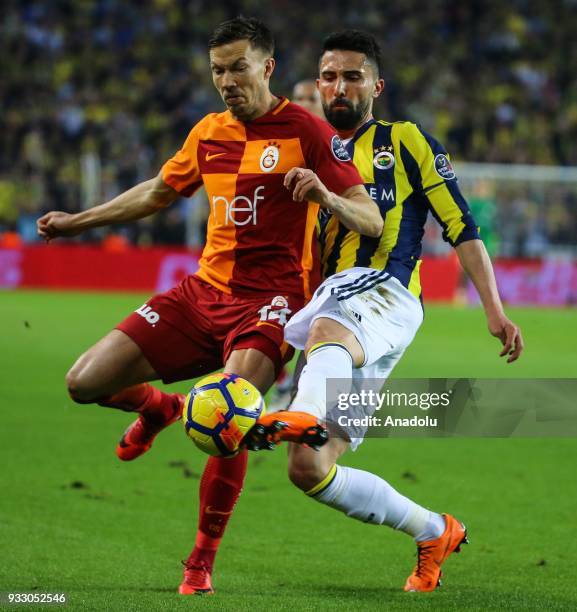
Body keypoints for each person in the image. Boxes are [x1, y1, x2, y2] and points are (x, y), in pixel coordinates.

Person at [37, 18, 382, 595]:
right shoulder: (209, 132)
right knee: (83, 382)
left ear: (266, 68)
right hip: (201, 293)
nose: (226, 80)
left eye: (237, 67)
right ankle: (160, 408)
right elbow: (157, 192)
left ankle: (200, 560)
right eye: (218, 69)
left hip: (270, 303)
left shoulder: (307, 131)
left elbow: (368, 214)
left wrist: (323, 194)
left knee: (233, 413)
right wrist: (79, 222)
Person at [250, 30, 524, 593]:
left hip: (384, 292)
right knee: (309, 467)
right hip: (340, 308)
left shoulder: (404, 140)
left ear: (376, 84)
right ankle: (434, 531)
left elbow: (461, 226)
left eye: (353, 76)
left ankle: (298, 408)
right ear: (317, 86)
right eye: (329, 76)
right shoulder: (304, 151)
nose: (339, 86)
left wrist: (493, 310)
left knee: (329, 329)